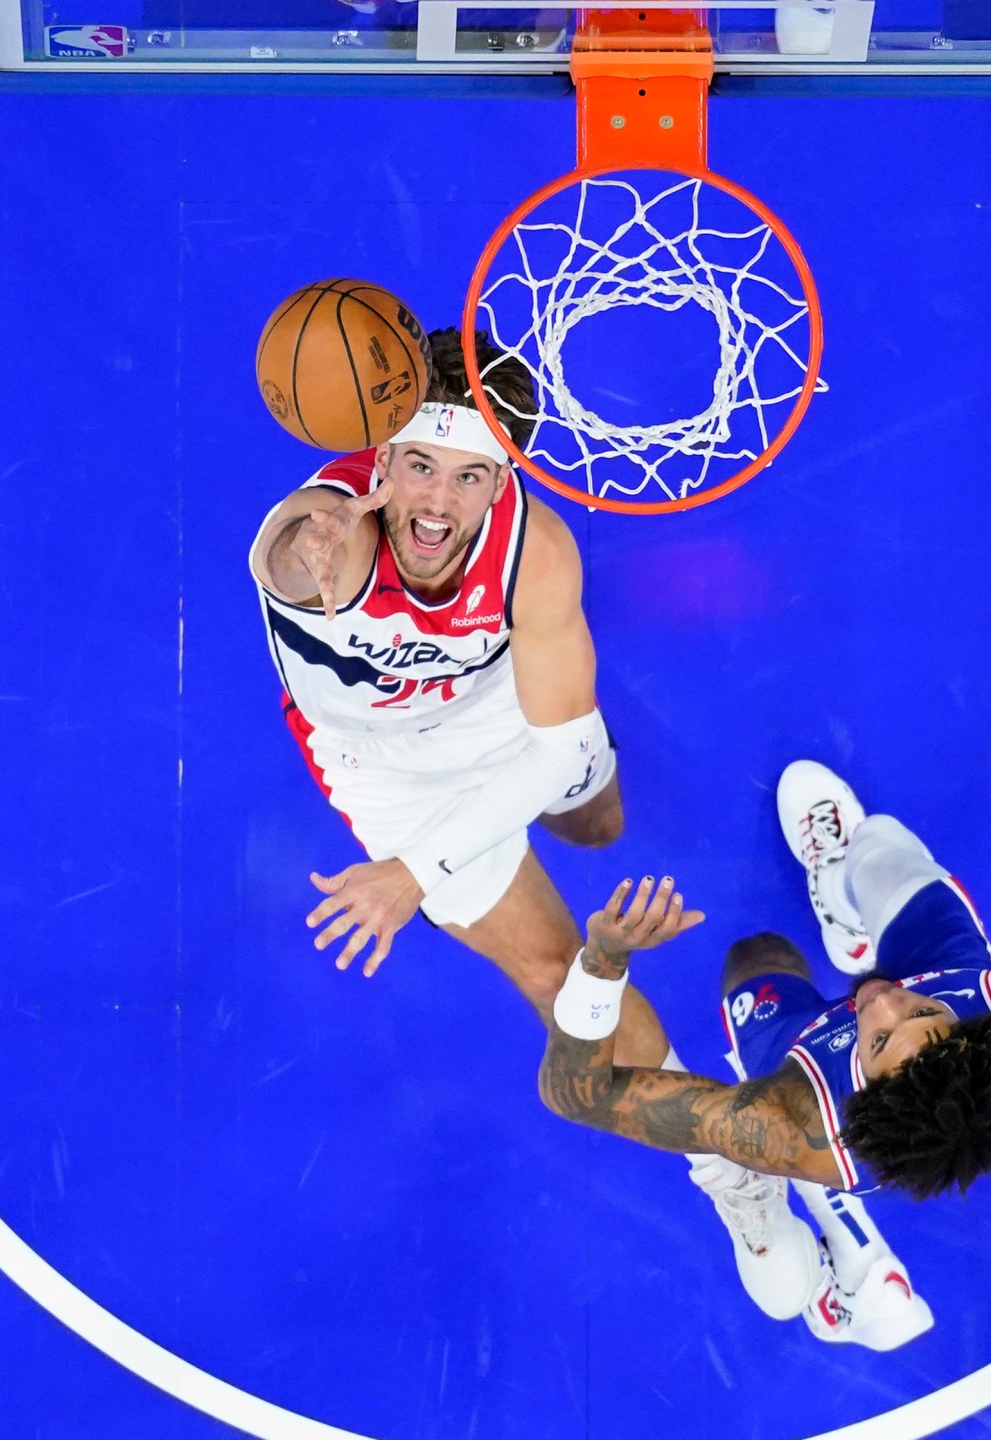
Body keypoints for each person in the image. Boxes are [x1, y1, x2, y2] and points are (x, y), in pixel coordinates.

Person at [250, 326, 814, 1305]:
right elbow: (290, 548)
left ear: (503, 475)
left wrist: (425, 867)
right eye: (418, 465)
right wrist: (415, 868)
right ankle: (736, 1176)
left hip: (511, 713)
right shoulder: (323, 543)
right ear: (378, 460)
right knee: (557, 972)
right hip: (392, 773)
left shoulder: (535, 552)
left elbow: (553, 749)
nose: (436, 501)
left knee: (593, 817)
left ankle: (565, 820)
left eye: (471, 476)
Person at [537, 651, 991, 1345]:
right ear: (979, 1027)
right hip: (944, 969)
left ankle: (749, 1199)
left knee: (755, 961)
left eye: (880, 1040)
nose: (881, 1001)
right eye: (923, 1015)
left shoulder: (794, 1123)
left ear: (866, 1090)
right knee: (880, 844)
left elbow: (574, 1095)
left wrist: (602, 962)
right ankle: (844, 884)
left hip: (815, 1117)